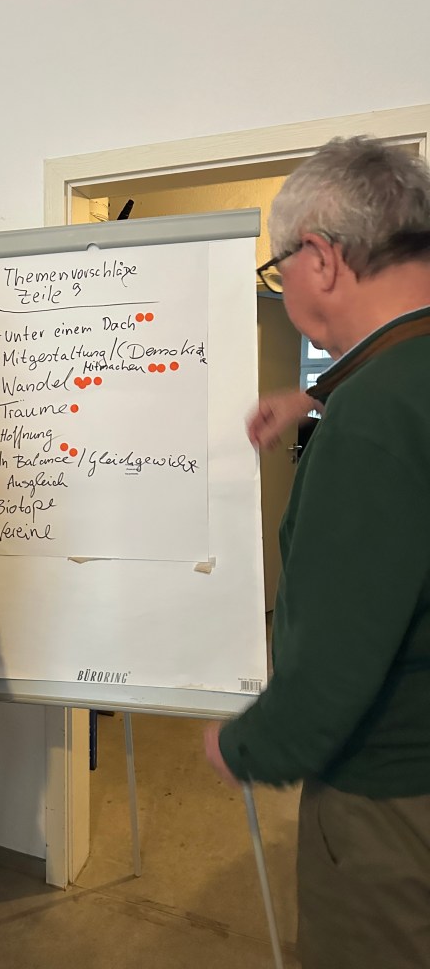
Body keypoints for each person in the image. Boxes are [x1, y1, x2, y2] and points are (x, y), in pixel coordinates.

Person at [203, 136, 430, 969]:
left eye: (279, 268)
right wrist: (324, 389)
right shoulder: (387, 391)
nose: (285, 285)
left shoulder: (373, 424)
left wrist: (244, 745)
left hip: (396, 790)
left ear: (323, 260)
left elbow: (336, 663)